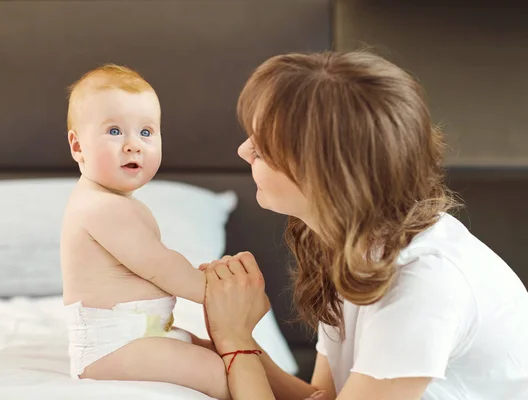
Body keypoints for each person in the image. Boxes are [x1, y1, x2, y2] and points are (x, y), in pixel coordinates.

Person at [200, 51, 528, 400]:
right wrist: (227, 344)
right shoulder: (350, 244)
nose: (242, 150)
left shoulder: (423, 282)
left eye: (262, 148)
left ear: (325, 175)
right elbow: (323, 397)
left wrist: (236, 343)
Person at [60, 64, 230, 400]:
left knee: (224, 354)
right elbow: (162, 267)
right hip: (112, 346)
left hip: (146, 332)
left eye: (146, 133)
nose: (133, 145)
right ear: (78, 147)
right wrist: (221, 293)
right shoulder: (101, 208)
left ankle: (304, 394)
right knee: (218, 372)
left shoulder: (119, 204)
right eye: (114, 131)